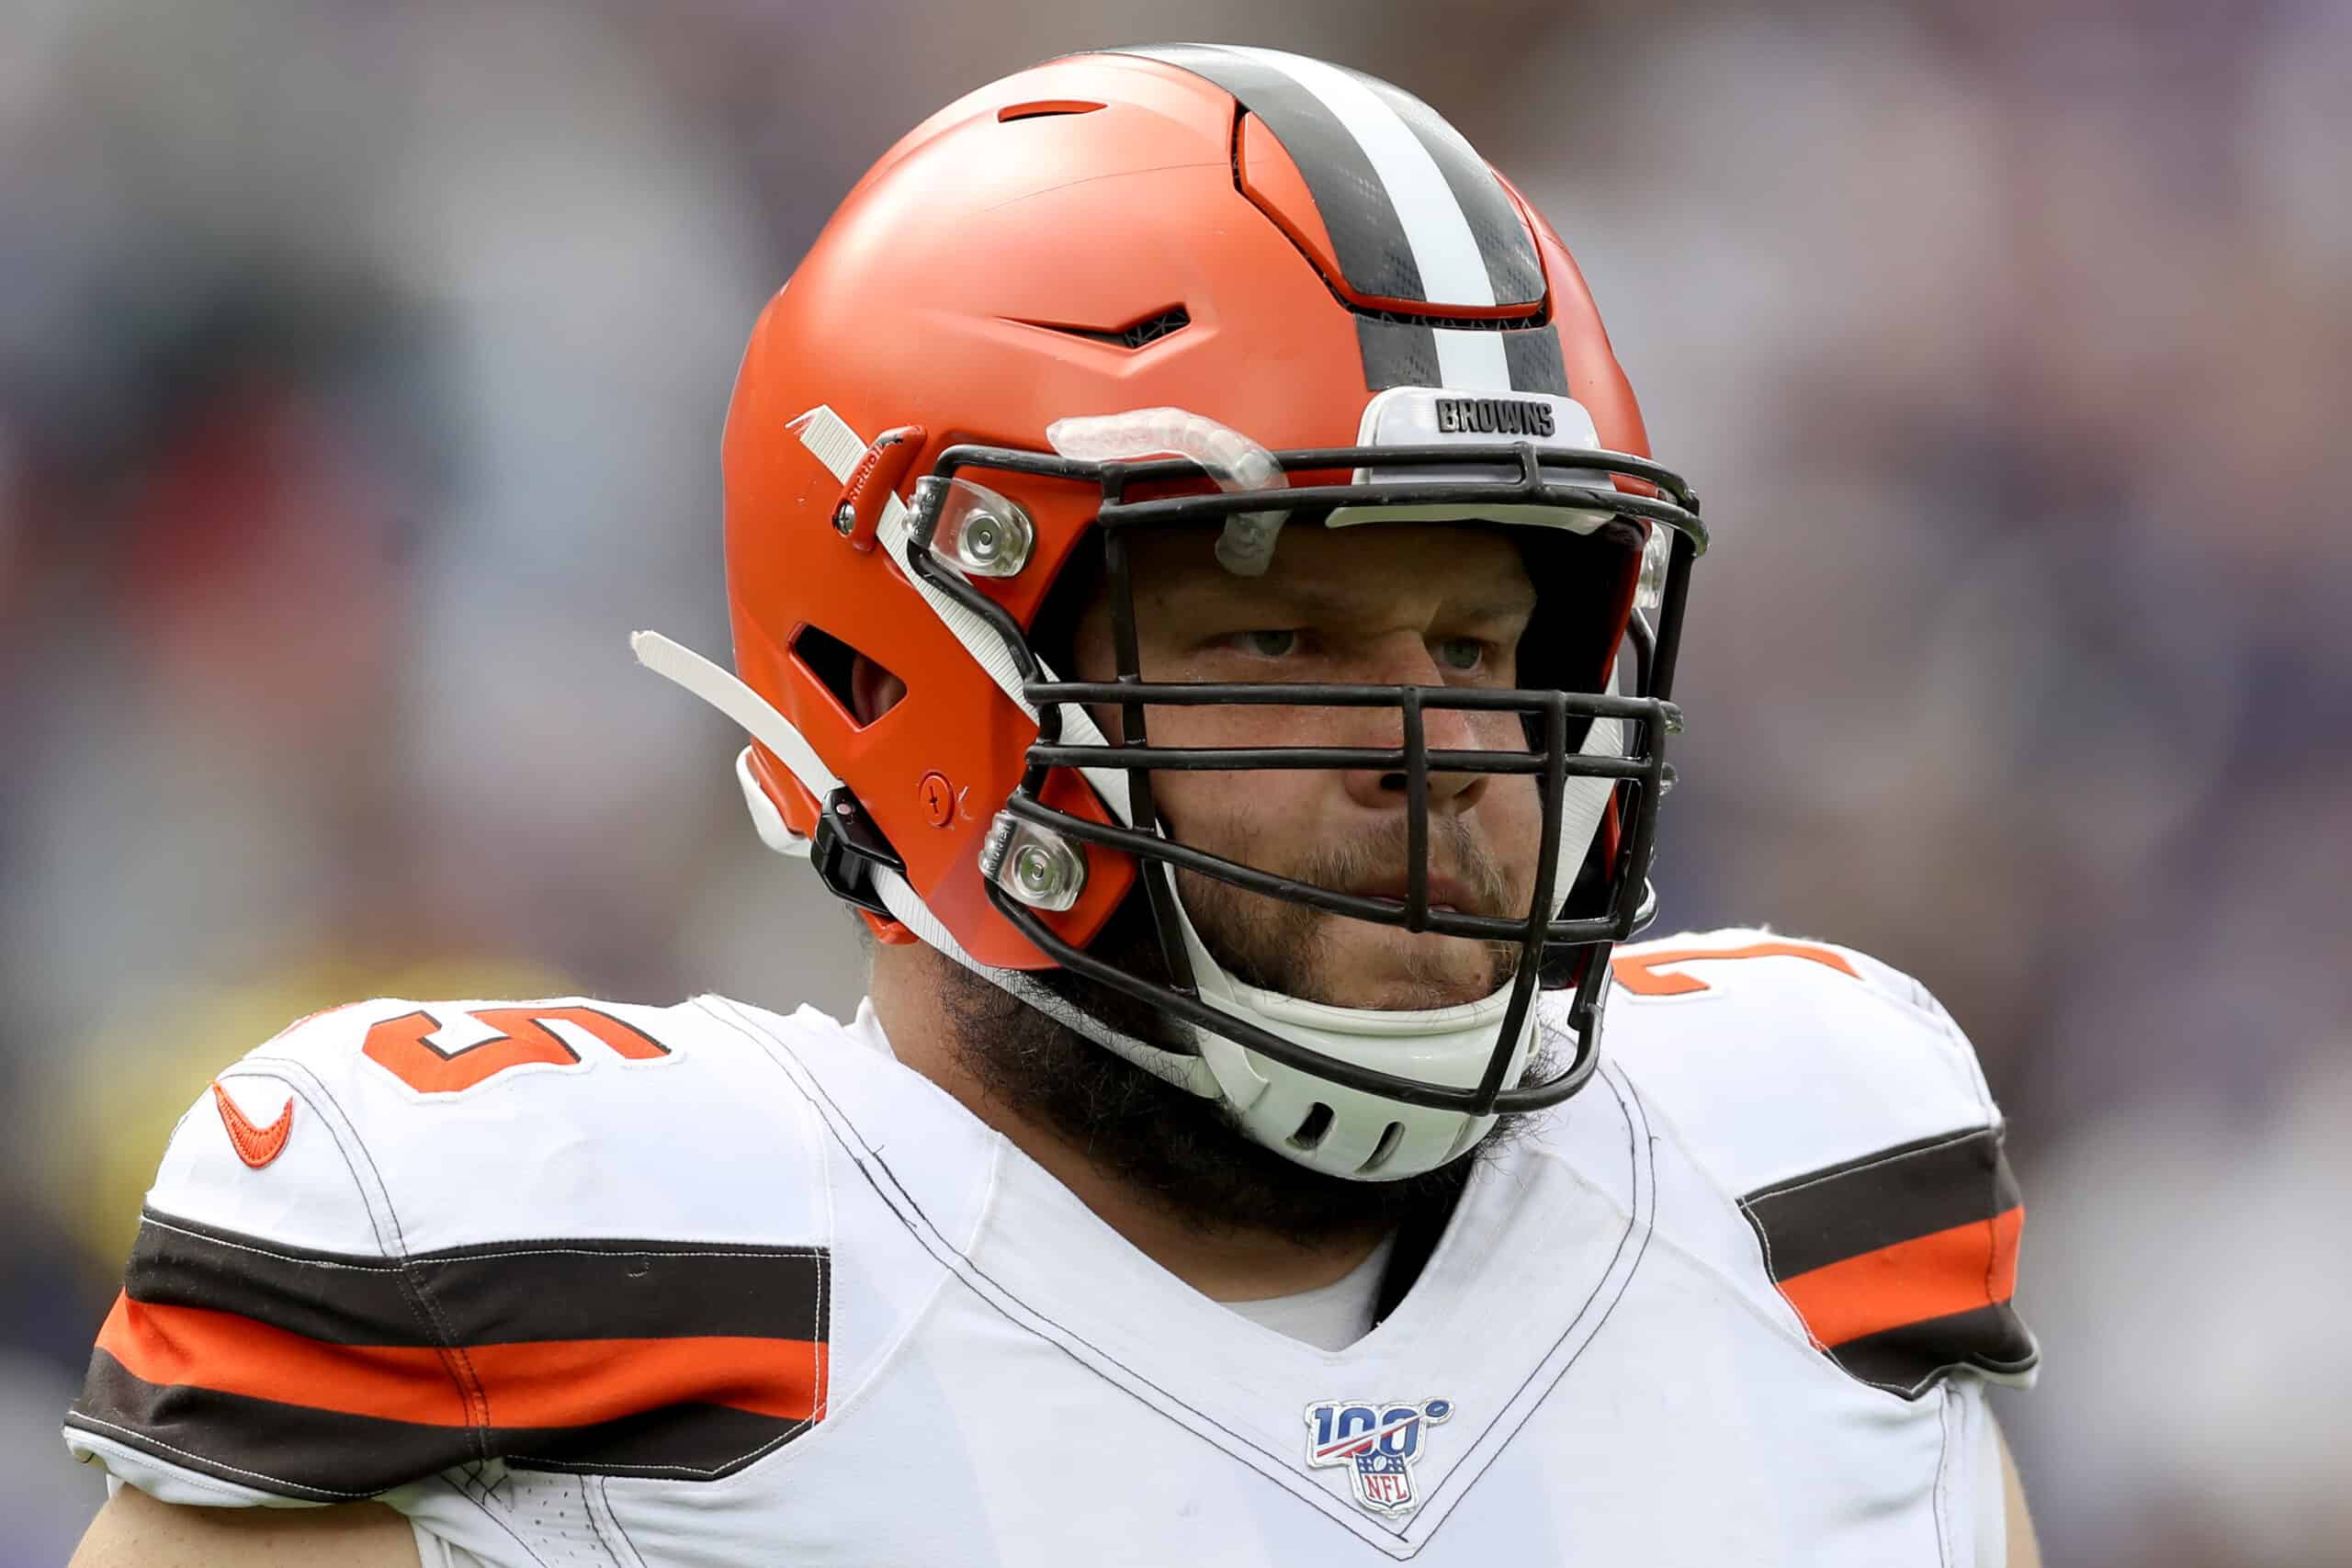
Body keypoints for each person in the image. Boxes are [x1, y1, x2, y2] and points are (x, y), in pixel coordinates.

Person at [63, 43, 2041, 1566]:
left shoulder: (1801, 1183)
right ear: (903, 680)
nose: (1428, 752)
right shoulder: (546, 1285)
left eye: (1482, 644)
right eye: (1285, 650)